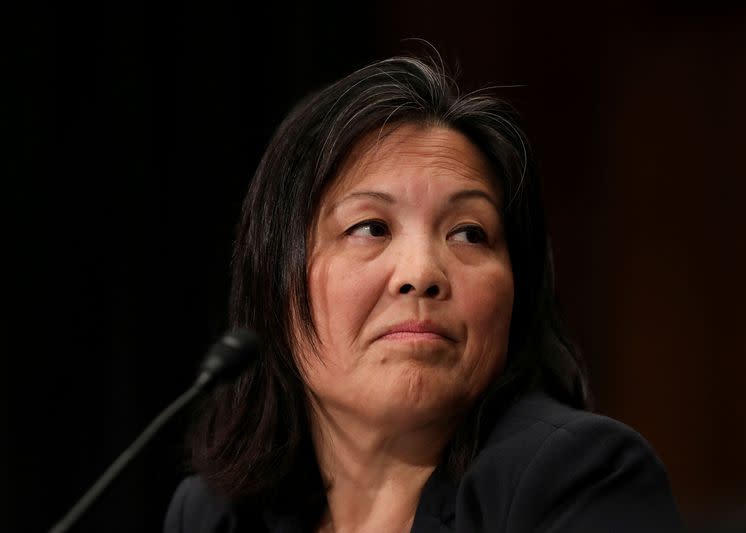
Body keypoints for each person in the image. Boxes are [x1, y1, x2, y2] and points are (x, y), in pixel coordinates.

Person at [164, 53, 683, 532]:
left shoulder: (577, 479)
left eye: (469, 233)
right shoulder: (217, 516)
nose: (422, 272)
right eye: (371, 227)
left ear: (517, 295)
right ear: (276, 281)